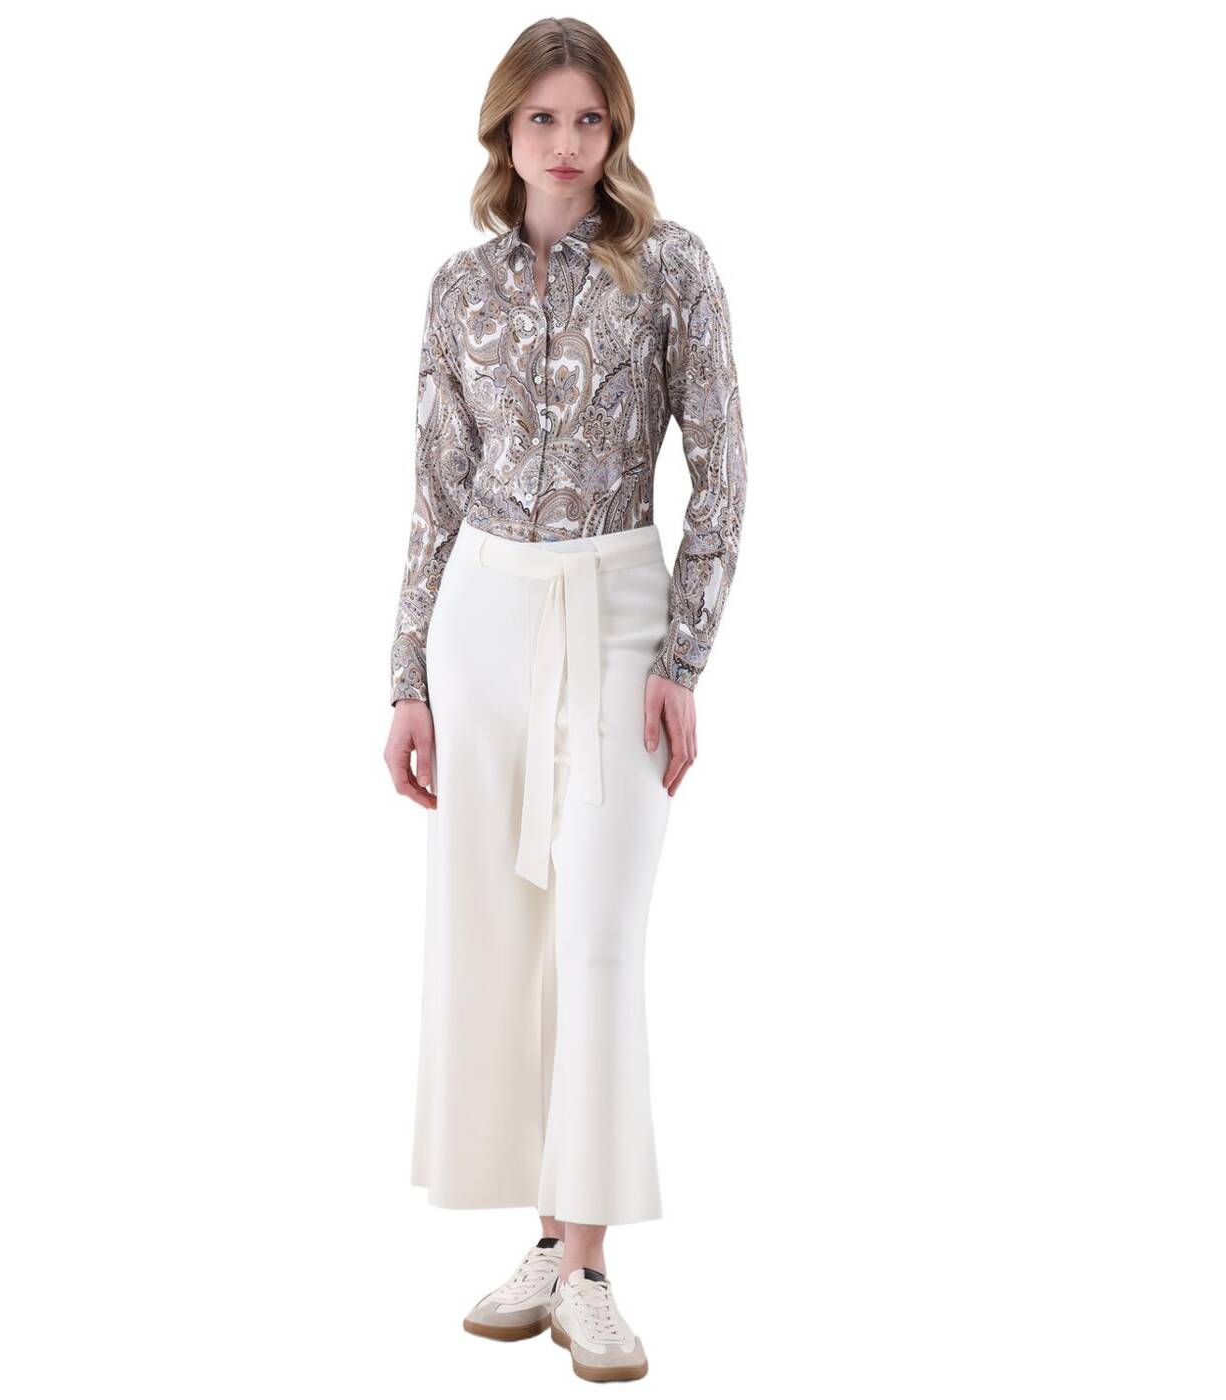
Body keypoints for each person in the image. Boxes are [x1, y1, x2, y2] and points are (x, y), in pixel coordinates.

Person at [383, 17, 746, 1383]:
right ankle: (545, 1239)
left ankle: (588, 1269)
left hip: (615, 606)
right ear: (505, 131)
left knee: (595, 936)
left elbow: (725, 471)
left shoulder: (671, 268)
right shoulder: (458, 288)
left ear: (616, 130)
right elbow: (433, 489)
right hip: (482, 615)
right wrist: (406, 680)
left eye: (590, 118)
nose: (568, 142)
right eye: (542, 118)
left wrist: (683, 659)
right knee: (505, 935)